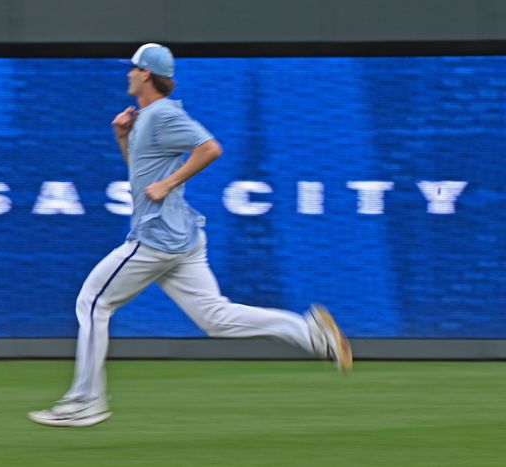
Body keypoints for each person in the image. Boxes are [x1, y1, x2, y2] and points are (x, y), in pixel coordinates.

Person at [28, 43, 352, 427]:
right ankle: (311, 333)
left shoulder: (163, 113)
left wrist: (169, 183)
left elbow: (210, 148)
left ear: (146, 74)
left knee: (93, 303)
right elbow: (142, 176)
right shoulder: (147, 117)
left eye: (132, 69)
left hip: (157, 239)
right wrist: (122, 139)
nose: (127, 74)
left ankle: (86, 401)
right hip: (182, 239)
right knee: (215, 317)